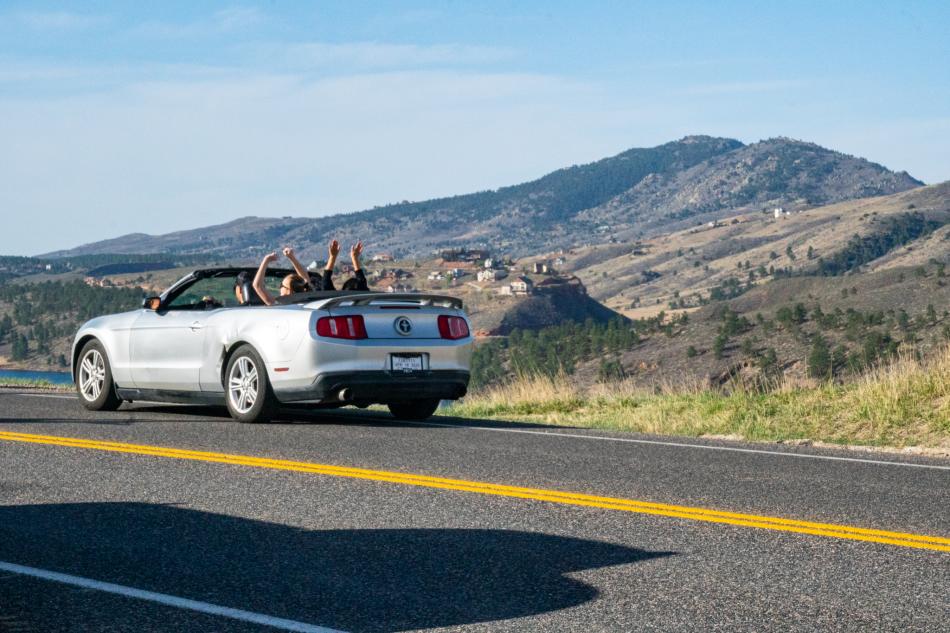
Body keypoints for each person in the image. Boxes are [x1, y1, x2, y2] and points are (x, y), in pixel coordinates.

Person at [251, 247, 319, 306]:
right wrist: (292, 257)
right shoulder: (308, 300)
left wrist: (266, 260)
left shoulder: (280, 305)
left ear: (288, 291)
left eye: (281, 285)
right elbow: (305, 280)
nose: (279, 288)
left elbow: (257, 285)